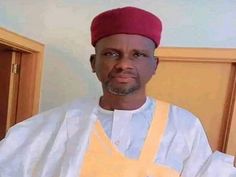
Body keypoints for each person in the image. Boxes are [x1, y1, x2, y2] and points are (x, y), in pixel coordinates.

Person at [0, 6, 235, 177]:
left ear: (155, 65)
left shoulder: (184, 127)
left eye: (138, 55)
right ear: (94, 63)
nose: (124, 64)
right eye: (111, 53)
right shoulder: (56, 124)